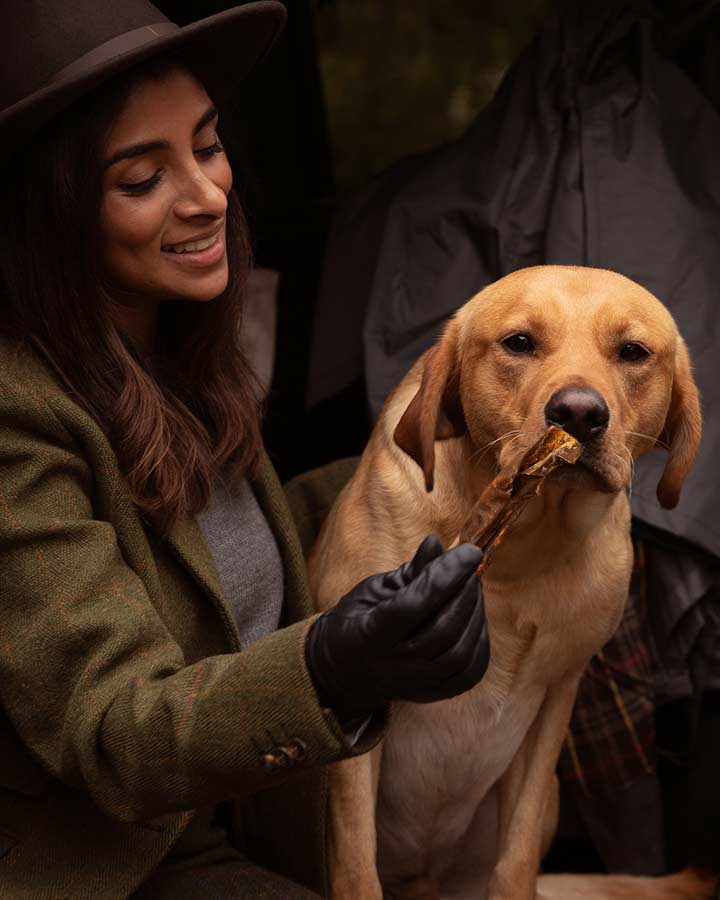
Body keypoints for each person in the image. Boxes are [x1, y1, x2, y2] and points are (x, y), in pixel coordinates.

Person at [0, 2, 490, 898]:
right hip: (121, 862)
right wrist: (334, 661)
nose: (207, 194)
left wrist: (457, 461)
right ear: (53, 214)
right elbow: (118, 732)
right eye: (143, 178)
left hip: (257, 814)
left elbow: (228, 558)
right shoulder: (17, 415)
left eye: (208, 145)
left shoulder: (177, 349)